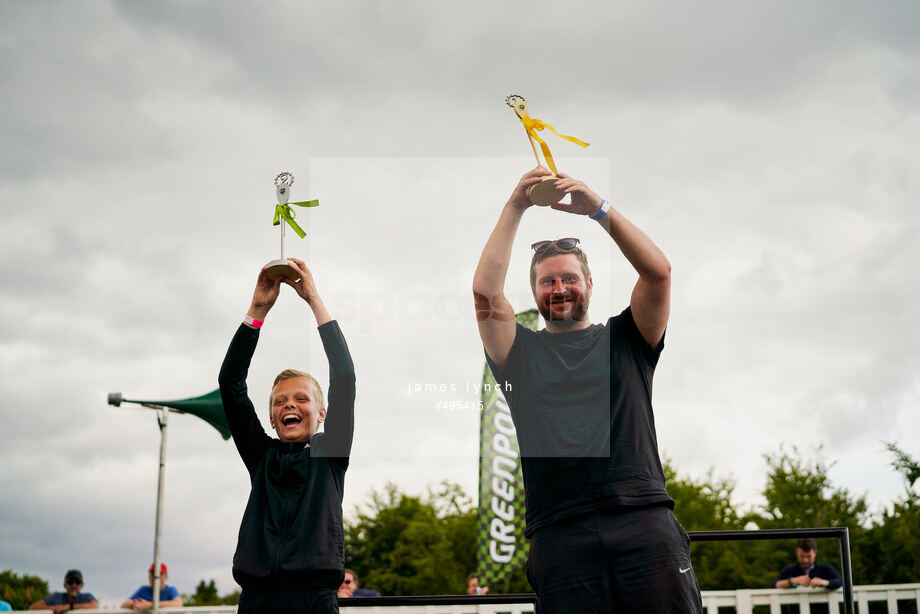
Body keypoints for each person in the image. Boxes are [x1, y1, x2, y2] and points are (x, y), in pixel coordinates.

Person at [472, 167, 703, 613]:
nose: (559, 289)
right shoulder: (518, 353)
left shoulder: (627, 337)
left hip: (643, 522)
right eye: (547, 281)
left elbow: (659, 273)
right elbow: (485, 293)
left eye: (569, 278)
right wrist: (516, 204)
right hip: (561, 535)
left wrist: (598, 209)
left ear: (590, 284)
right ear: (536, 292)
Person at [218, 258, 356, 614]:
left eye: (300, 399)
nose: (289, 405)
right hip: (257, 600)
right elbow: (230, 385)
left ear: (321, 413)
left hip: (314, 600)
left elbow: (344, 376)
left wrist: (313, 299)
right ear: (272, 417)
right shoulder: (260, 454)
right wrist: (257, 310)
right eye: (280, 401)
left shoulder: (331, 452)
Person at [774, 538, 842, 590]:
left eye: (808, 556)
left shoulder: (826, 568)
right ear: (797, 553)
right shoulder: (788, 570)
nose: (805, 560)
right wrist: (792, 581)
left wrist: (825, 582)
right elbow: (774, 585)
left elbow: (840, 581)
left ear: (815, 553)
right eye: (802, 556)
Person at [29, 569, 98, 612]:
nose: (74, 585)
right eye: (70, 582)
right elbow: (33, 607)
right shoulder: (56, 597)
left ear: (82, 585)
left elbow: (94, 605)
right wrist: (55, 608)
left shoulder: (86, 597)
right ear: (64, 585)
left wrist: (68, 607)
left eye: (77, 582)